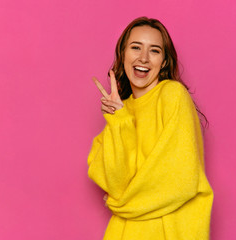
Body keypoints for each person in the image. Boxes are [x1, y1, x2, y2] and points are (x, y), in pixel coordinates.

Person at [87, 17, 213, 240]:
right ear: (123, 54)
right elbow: (116, 184)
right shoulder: (121, 112)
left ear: (164, 61)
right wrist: (119, 120)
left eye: (154, 51)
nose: (143, 58)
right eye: (135, 47)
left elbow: (179, 180)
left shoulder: (173, 95)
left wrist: (122, 204)